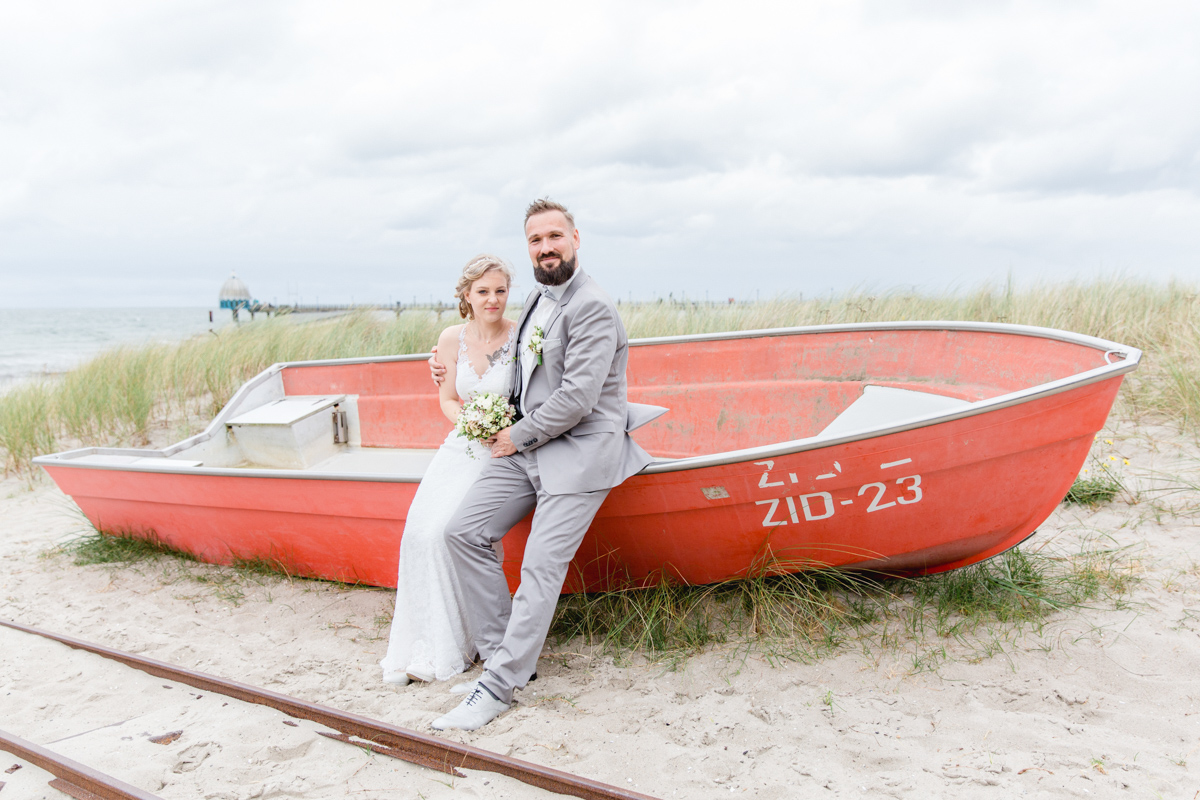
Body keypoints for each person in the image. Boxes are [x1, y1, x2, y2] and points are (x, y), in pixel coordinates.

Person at [427, 199, 666, 731]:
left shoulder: (593, 307)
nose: (546, 247)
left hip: (577, 453)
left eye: (555, 237)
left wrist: (516, 434)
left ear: (576, 239)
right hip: (530, 447)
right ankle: (502, 659)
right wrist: (445, 365)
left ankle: (497, 690)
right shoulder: (537, 297)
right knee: (462, 532)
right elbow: (510, 361)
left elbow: (579, 396)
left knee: (539, 569)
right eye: (536, 240)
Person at [379, 254, 518, 686]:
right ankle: (423, 642)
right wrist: (470, 422)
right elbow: (447, 400)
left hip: (500, 451)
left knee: (448, 532)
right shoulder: (449, 338)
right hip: (460, 445)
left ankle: (462, 641)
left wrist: (499, 427)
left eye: (499, 290)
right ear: (466, 296)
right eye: (483, 291)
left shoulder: (522, 336)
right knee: (418, 530)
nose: (492, 299)